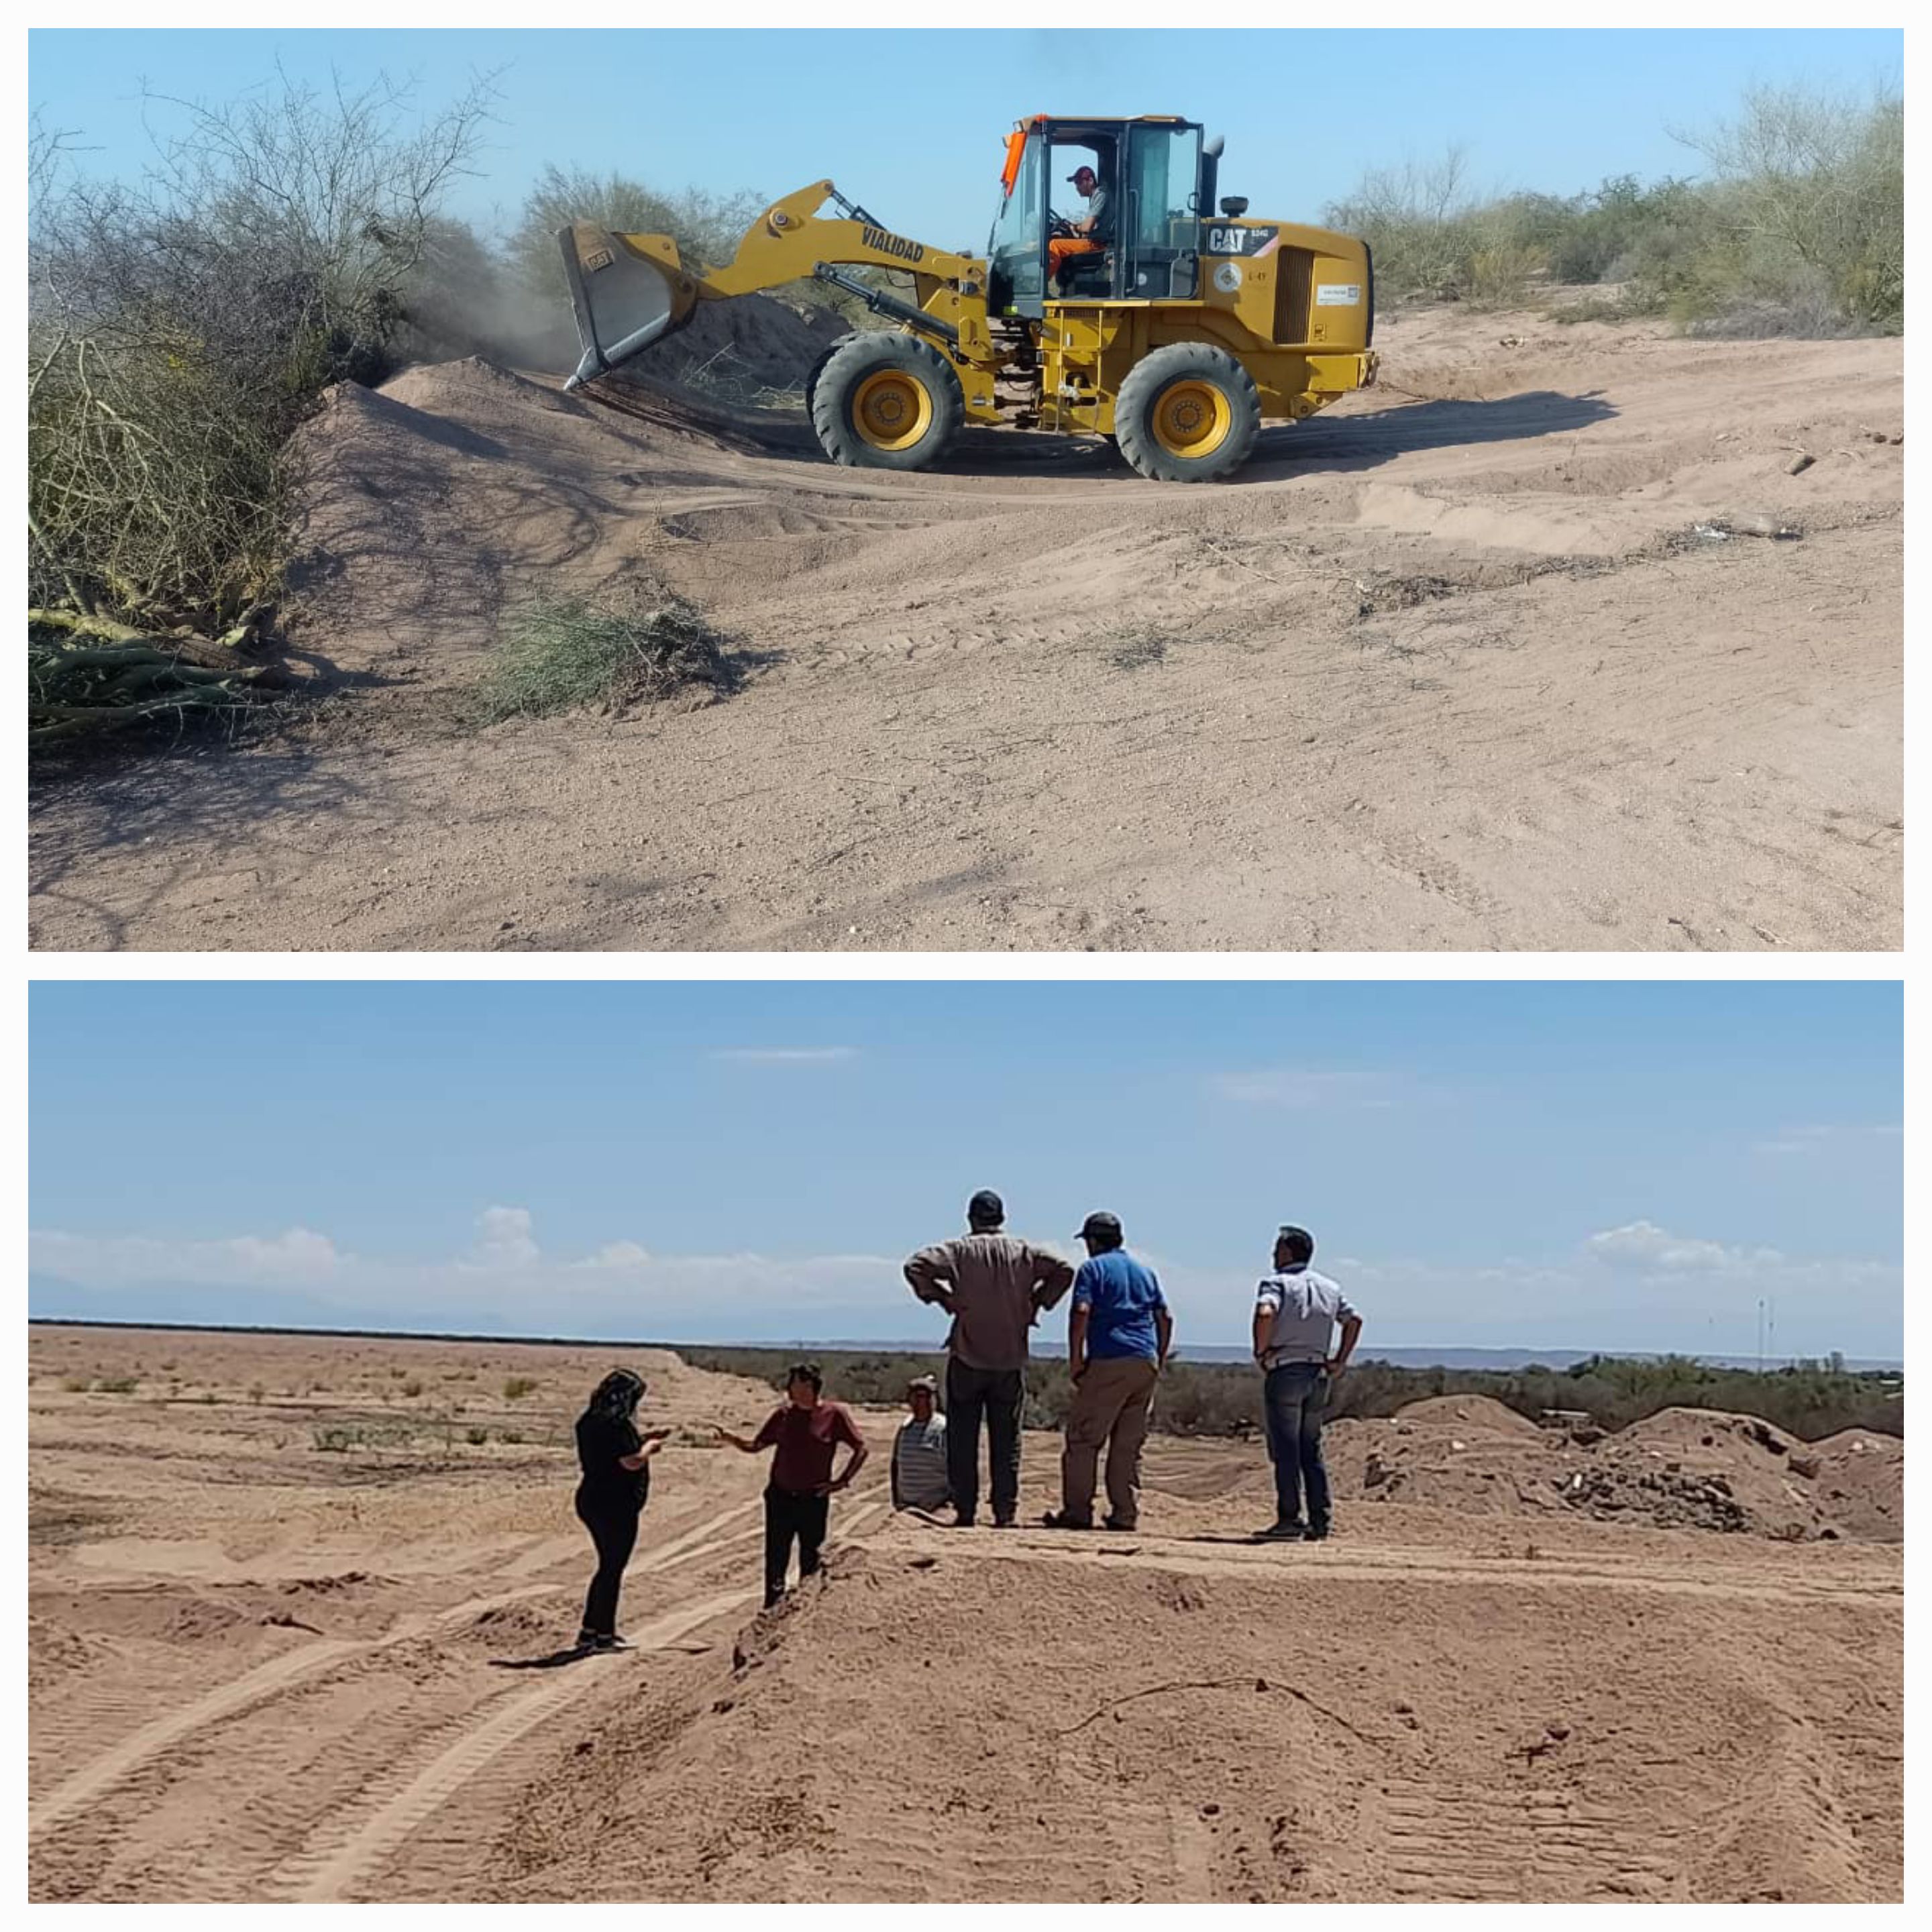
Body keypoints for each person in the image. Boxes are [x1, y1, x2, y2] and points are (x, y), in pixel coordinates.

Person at [905, 1189, 1075, 1527]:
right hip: (1010, 1358)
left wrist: (943, 1298)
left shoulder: (959, 1250)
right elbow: (1065, 1269)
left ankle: (966, 1510)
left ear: (971, 1219)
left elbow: (915, 1265)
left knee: (962, 1439)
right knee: (1007, 1440)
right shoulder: (1024, 1251)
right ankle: (1005, 1511)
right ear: (1002, 1219)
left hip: (968, 1355)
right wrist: (1037, 1302)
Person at [1043, 1212, 1172, 1532]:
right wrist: (1159, 1356)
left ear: (1093, 1241)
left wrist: (1076, 1358)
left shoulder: (1092, 1269)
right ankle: (1124, 1513)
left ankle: (1077, 1511)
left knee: (1084, 1439)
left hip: (1109, 1358)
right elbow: (1165, 1317)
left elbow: (1081, 1311)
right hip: (1144, 1360)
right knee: (1127, 1444)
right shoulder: (1145, 1272)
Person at [716, 1363, 869, 1609]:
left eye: (794, 1384)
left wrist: (841, 1482)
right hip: (781, 1496)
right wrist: (731, 1439)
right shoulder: (783, 1415)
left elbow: (861, 1449)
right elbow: (756, 1446)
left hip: (814, 1498)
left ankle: (804, 1609)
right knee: (776, 1556)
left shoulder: (834, 1415)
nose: (789, 1389)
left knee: (811, 1557)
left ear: (809, 1386)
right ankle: (771, 1608)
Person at [1252, 1226, 1362, 1542]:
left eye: (1277, 1249)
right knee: (1310, 1449)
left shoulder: (1276, 1283)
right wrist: (1340, 1359)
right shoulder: (1330, 1287)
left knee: (1285, 1449)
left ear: (1287, 1252)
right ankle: (1320, 1520)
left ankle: (1289, 1519)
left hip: (1286, 1368)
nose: (1273, 1255)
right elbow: (1354, 1321)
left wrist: (1261, 1350)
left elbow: (1265, 1312)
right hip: (1318, 1372)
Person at [572, 1368, 672, 1652]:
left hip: (592, 1499)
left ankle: (593, 1630)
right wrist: (650, 1448)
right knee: (611, 1569)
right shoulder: (614, 1426)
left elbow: (613, 1451)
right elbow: (630, 1461)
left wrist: (644, 1437)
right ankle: (601, 1634)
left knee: (608, 1567)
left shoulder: (589, 1421)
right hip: (614, 1506)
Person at [890, 1375, 951, 1515]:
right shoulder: (905, 1428)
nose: (922, 1401)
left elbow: (957, 1469)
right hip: (907, 1507)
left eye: (926, 1396)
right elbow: (896, 1465)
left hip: (937, 1507)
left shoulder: (943, 1428)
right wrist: (896, 1499)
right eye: (917, 1396)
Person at [1047, 162, 1114, 292]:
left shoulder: (1101, 195)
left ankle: (1043, 285)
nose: (1077, 187)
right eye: (1076, 184)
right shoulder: (1095, 197)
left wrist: (1075, 228)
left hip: (1099, 244)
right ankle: (1066, 287)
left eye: (1079, 183)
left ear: (1090, 181)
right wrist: (1075, 228)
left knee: (1055, 245)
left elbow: (1088, 226)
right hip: (1095, 240)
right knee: (1063, 244)